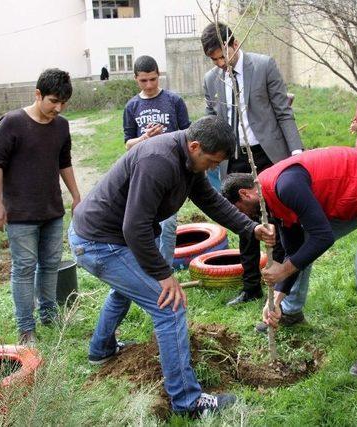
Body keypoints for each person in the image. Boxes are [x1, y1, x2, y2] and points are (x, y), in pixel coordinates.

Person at [68, 116, 275, 416]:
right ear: (195, 146)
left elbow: (211, 201)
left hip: (107, 236)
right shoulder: (159, 161)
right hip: (99, 242)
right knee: (170, 306)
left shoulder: (187, 159)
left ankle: (101, 350)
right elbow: (135, 227)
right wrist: (164, 276)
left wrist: (250, 228)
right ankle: (187, 402)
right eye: (213, 161)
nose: (214, 168)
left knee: (127, 289)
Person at [222, 146, 357, 379]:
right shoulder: (268, 200)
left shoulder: (285, 186)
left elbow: (322, 238)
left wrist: (284, 269)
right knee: (302, 250)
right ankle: (291, 312)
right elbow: (294, 249)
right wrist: (276, 299)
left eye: (239, 211)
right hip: (347, 196)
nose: (244, 217)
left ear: (245, 194)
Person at [202, 21, 304, 306]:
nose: (221, 63)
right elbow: (212, 119)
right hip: (234, 157)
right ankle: (250, 287)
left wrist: (296, 152)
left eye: (224, 56)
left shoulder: (264, 66)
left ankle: (283, 281)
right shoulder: (211, 79)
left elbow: (283, 112)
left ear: (235, 43)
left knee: (278, 216)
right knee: (242, 220)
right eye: (215, 60)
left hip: (267, 153)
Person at [0, 68, 81, 346]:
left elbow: (64, 162)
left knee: (51, 264)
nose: (58, 108)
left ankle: (50, 315)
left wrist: (76, 195)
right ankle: (26, 328)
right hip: (20, 214)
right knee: (25, 268)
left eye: (63, 103)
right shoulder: (12, 123)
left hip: (51, 210)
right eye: (53, 101)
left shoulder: (61, 126)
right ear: (38, 94)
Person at [123, 55, 191, 267]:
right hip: (143, 173)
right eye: (144, 80)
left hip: (172, 172)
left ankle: (166, 269)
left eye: (153, 79)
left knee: (169, 225)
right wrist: (145, 138)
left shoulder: (174, 101)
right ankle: (150, 271)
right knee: (146, 224)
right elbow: (127, 143)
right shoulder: (132, 106)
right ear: (136, 79)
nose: (150, 84)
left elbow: (188, 135)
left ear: (158, 74)